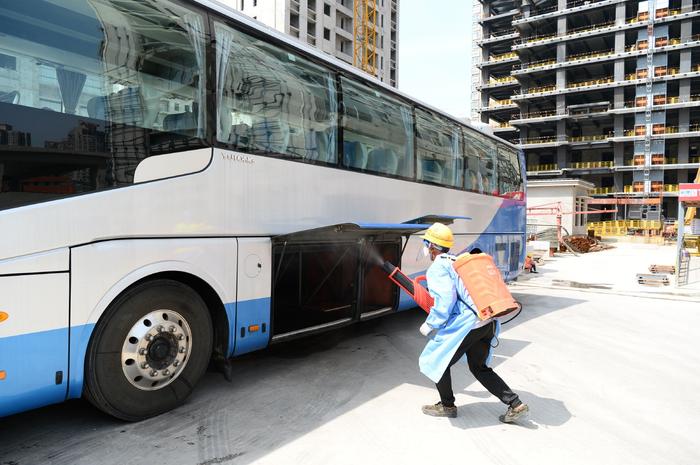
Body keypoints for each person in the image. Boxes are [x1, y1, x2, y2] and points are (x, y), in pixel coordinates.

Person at [417, 223, 529, 423]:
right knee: (479, 367)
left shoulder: (438, 267)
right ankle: (515, 404)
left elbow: (445, 301)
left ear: (431, 246)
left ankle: (447, 405)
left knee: (437, 362)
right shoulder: (458, 261)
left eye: (426, 243)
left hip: (468, 324)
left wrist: (431, 324)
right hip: (488, 321)